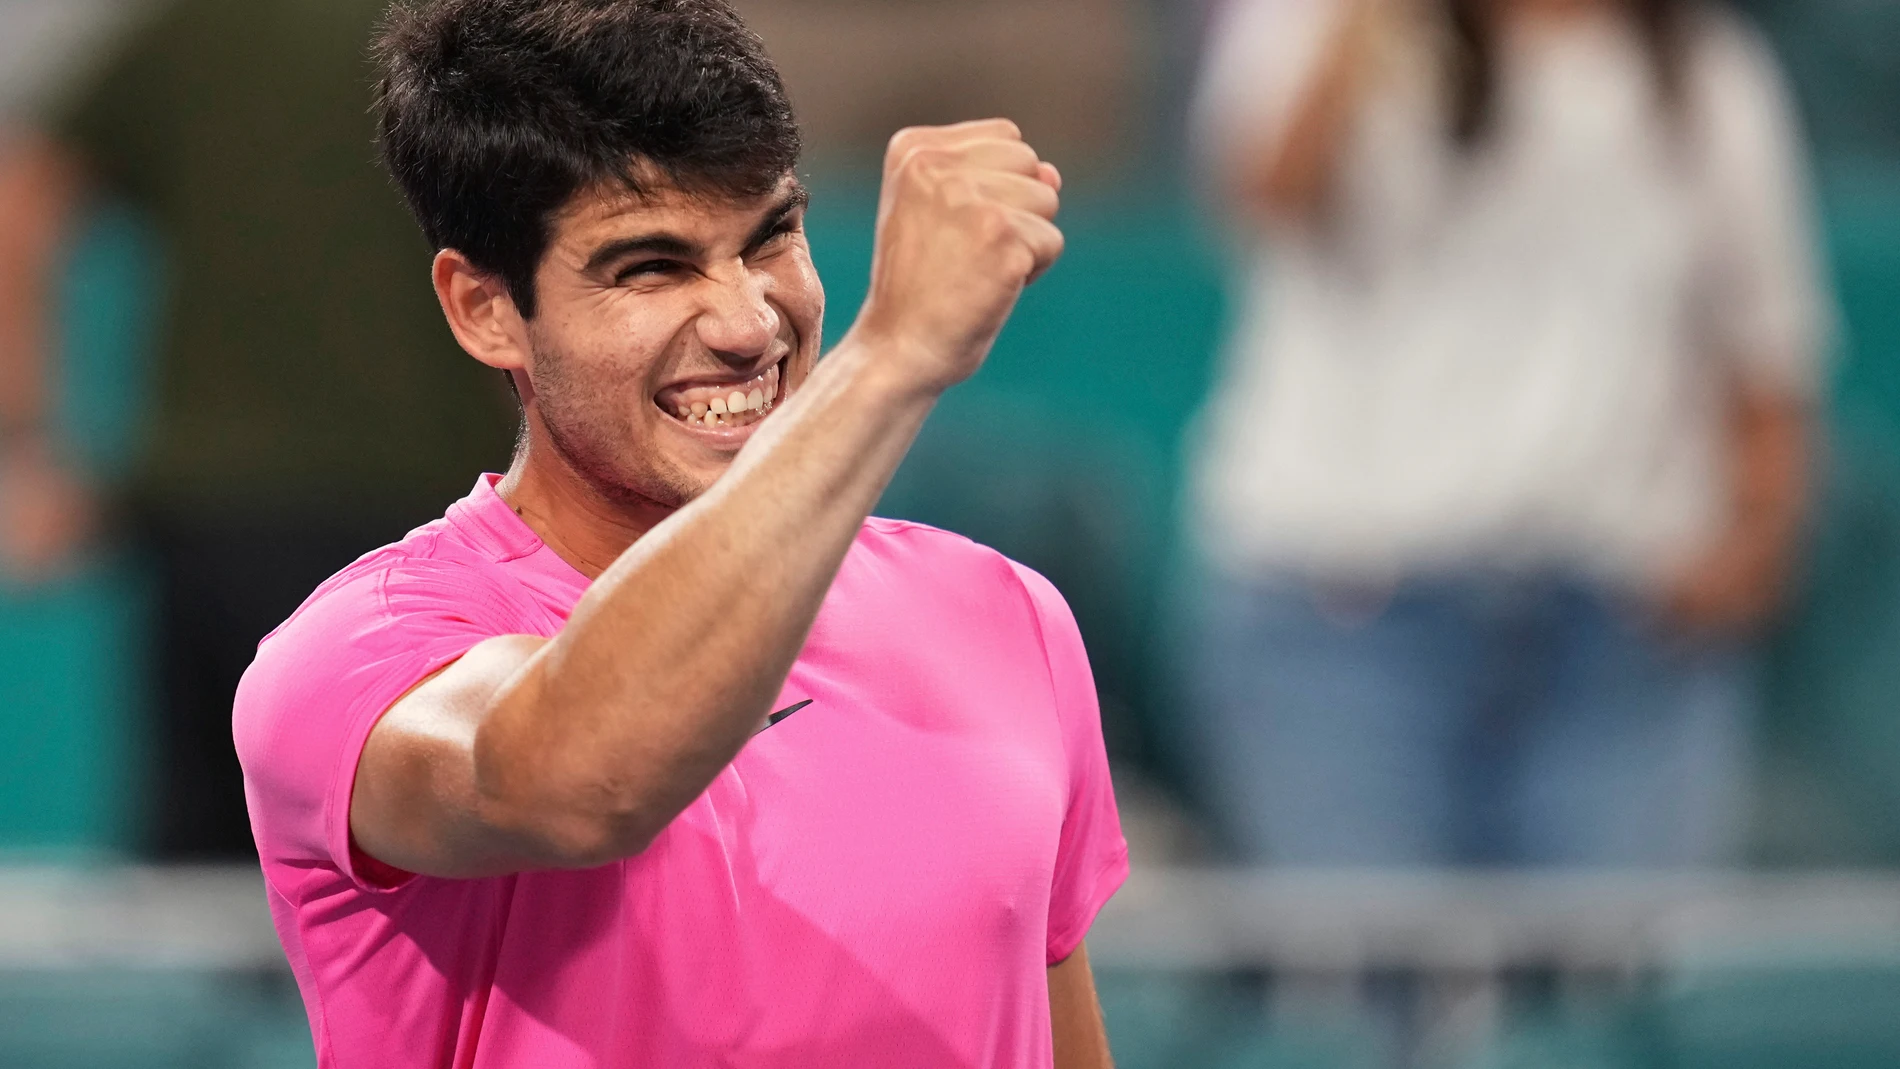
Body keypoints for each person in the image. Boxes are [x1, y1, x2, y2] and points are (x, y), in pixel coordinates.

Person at [231, 1, 1127, 1066]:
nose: (748, 324)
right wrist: (887, 359)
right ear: (485, 309)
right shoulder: (353, 660)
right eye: (651, 267)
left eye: (770, 237)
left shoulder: (1004, 615)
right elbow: (574, 780)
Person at [1181, 0, 1831, 866]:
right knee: (1353, 990)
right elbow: (1261, 194)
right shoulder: (1313, 27)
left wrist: (1751, 544)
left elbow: (1766, 346)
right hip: (1341, 624)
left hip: (1619, 637)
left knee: (1613, 996)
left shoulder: (1705, 70)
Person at [0, 0, 516, 858]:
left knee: (200, 909)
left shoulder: (192, 28)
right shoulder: (501, 36)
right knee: (441, 888)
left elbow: (25, 198)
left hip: (220, 521)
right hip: (432, 517)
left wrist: (27, 444)